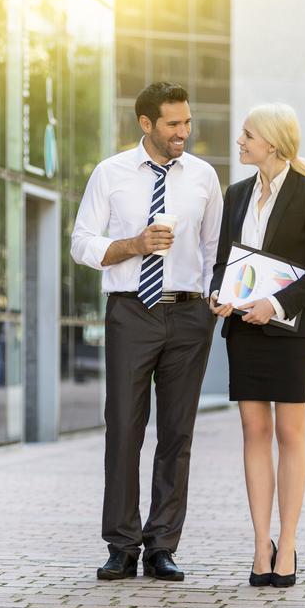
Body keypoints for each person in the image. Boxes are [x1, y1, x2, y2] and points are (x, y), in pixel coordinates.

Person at [71, 82, 223, 582]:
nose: (183, 132)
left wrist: (209, 301)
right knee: (123, 429)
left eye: (187, 122)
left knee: (176, 433)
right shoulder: (110, 173)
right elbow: (82, 244)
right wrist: (135, 243)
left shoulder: (203, 176)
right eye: (173, 124)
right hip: (130, 311)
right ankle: (121, 544)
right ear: (146, 124)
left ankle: (162, 546)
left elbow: (213, 248)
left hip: (187, 314)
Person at [209, 103, 305, 588]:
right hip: (243, 331)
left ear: (272, 143)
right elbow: (224, 262)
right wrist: (220, 295)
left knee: (290, 435)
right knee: (253, 434)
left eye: (246, 135)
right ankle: (262, 545)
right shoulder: (236, 194)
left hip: (288, 331)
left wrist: (275, 305)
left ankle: (290, 542)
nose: (239, 142)